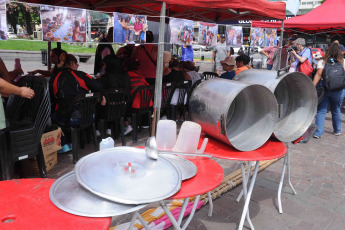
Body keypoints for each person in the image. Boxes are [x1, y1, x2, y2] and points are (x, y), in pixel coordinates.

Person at [52, 54, 105, 126]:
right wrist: (100, 96)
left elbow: (51, 97)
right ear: (73, 63)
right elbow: (98, 86)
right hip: (87, 116)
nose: (77, 66)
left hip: (65, 117)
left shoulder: (54, 78)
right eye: (77, 65)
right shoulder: (82, 75)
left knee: (53, 116)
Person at [312, 43, 345, 139]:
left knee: (321, 110)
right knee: (336, 110)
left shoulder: (322, 61)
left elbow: (318, 74)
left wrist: (312, 86)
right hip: (339, 90)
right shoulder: (343, 61)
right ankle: (337, 130)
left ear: (328, 50)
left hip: (325, 89)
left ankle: (318, 132)